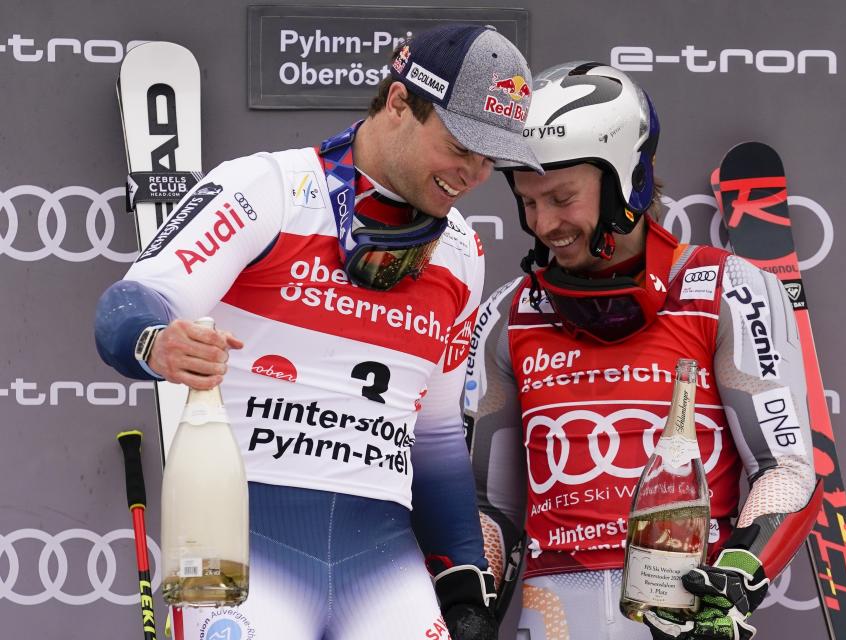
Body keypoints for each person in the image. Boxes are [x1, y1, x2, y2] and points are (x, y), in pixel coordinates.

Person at [95, 24, 542, 640]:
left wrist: (463, 588)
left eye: (490, 158)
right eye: (461, 146)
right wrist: (154, 341)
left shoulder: (460, 249)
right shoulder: (268, 189)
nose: (472, 173)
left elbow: (435, 440)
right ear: (398, 103)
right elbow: (128, 304)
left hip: (383, 566)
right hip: (246, 553)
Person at [465, 61, 823, 640]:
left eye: (561, 197)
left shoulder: (728, 289)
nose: (544, 224)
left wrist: (736, 579)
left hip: (685, 618)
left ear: (624, 181)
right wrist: (470, 603)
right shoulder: (510, 313)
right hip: (553, 619)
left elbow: (785, 469)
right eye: (528, 202)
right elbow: (492, 505)